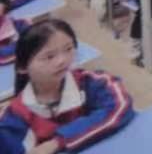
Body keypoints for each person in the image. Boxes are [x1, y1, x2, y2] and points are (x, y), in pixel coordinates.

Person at [0, 21, 131, 153]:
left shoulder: (90, 82)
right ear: (22, 67)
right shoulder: (15, 117)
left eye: (68, 49)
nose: (62, 60)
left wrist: (57, 142)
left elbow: (120, 105)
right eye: (49, 57)